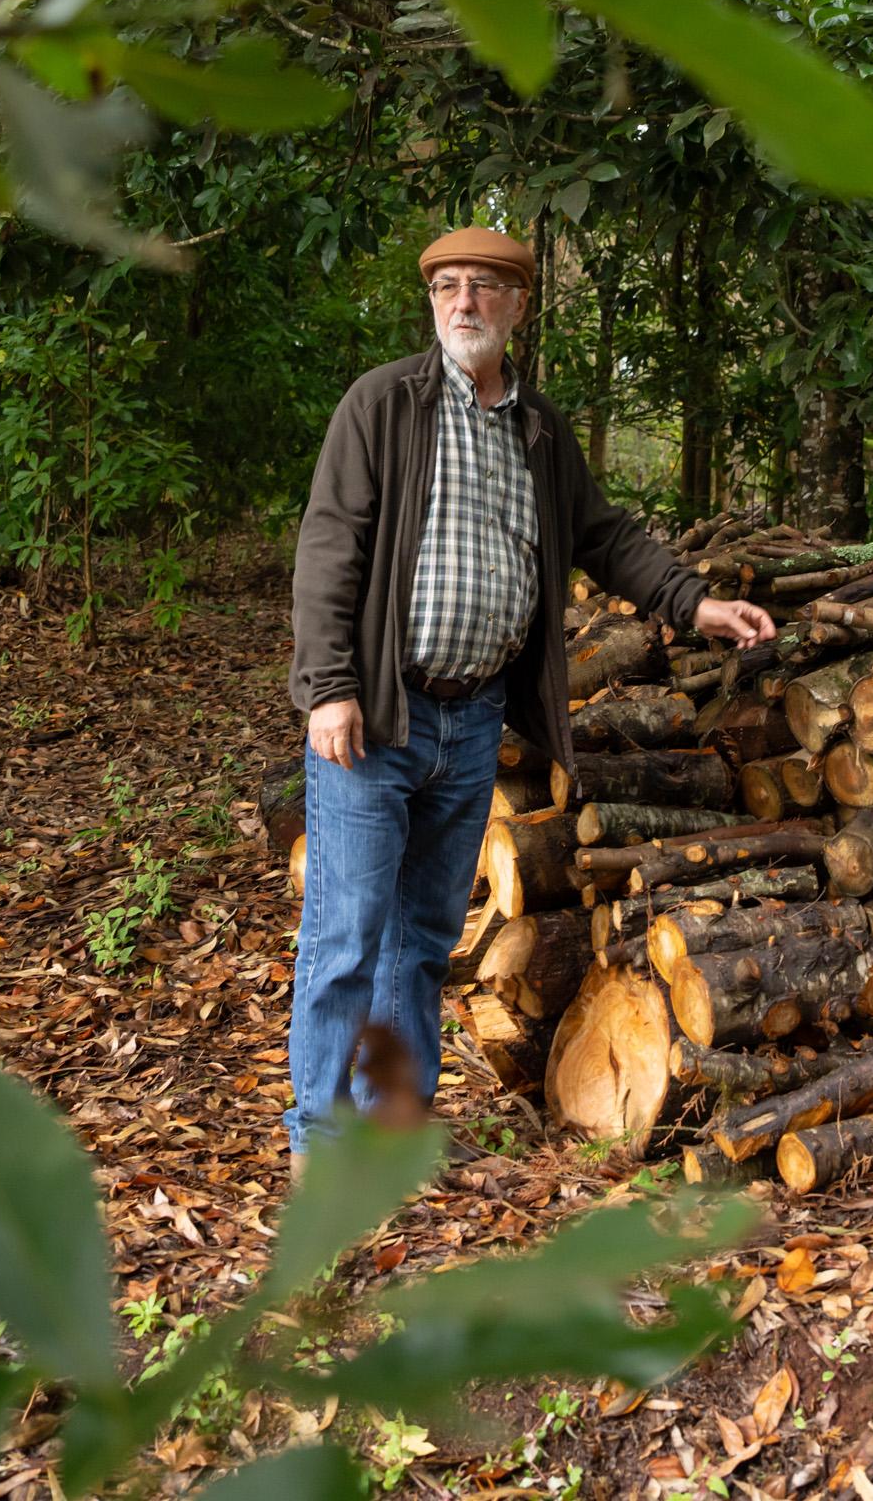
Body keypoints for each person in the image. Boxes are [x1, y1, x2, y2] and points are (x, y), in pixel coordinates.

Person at [283, 224, 779, 1154]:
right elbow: (328, 549)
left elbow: (604, 535)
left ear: (518, 305)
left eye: (483, 288)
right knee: (346, 936)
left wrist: (696, 602)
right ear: (432, 302)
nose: (463, 303)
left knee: (422, 939)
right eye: (447, 288)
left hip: (470, 720)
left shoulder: (539, 430)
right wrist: (327, 688)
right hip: (379, 712)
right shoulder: (382, 404)